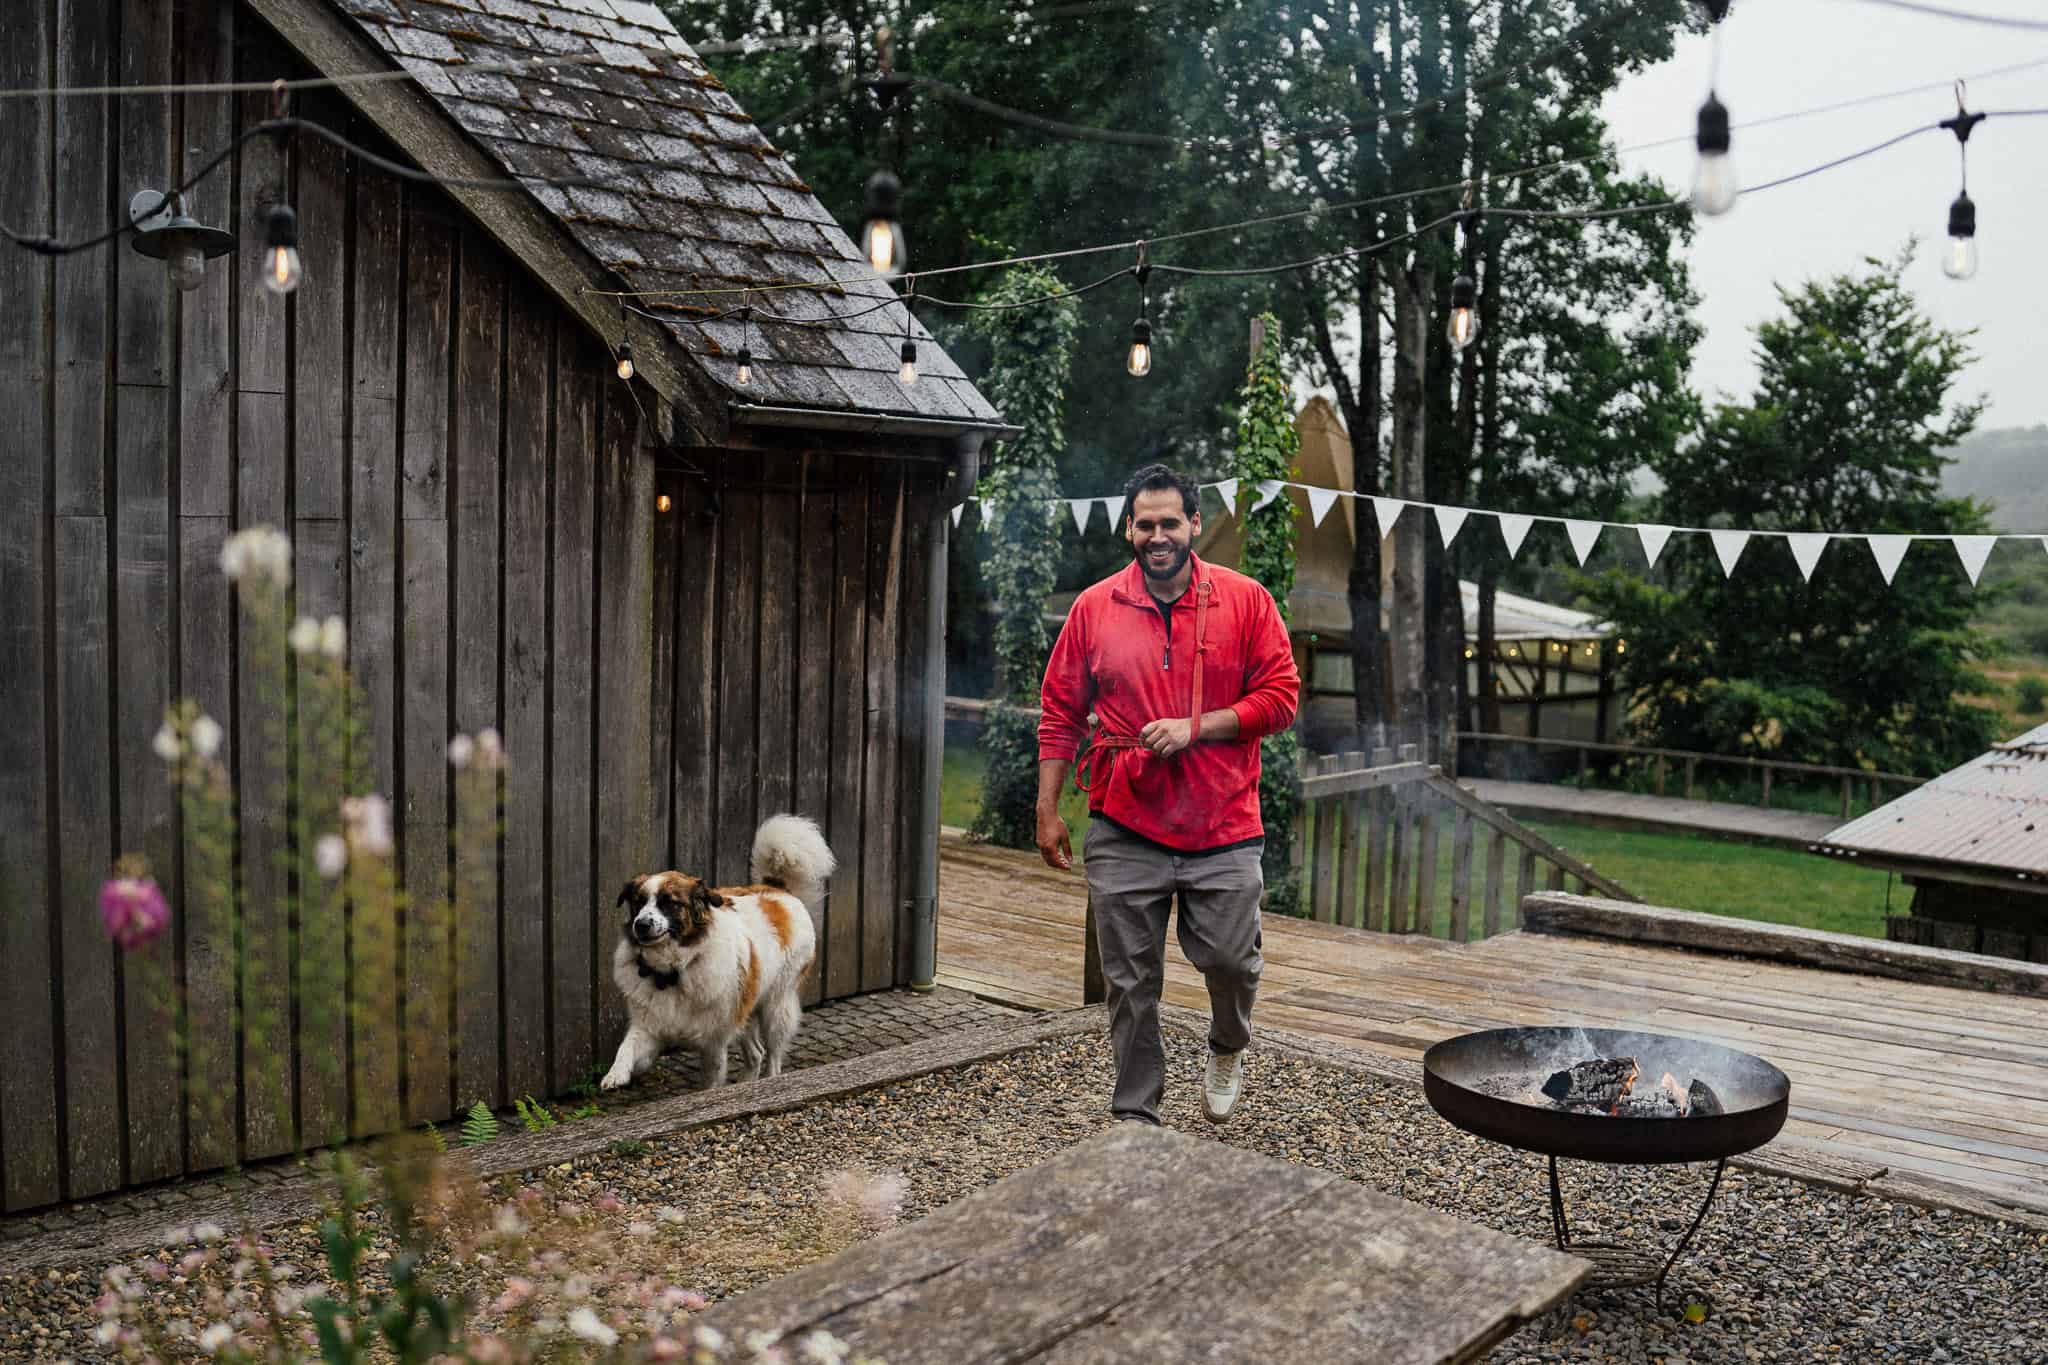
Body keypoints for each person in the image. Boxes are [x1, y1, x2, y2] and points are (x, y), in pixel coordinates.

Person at [1035, 463, 1300, 1126]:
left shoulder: (1246, 601)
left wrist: (1196, 728)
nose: (1158, 535)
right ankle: (1135, 1118)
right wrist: (1047, 807)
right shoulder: (1095, 608)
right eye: (1145, 523)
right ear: (1129, 528)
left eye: (1170, 523)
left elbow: (1282, 697)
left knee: (1230, 960)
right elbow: (1060, 709)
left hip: (1224, 822)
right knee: (1129, 983)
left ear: (1194, 526)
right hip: (1125, 823)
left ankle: (1228, 1041)